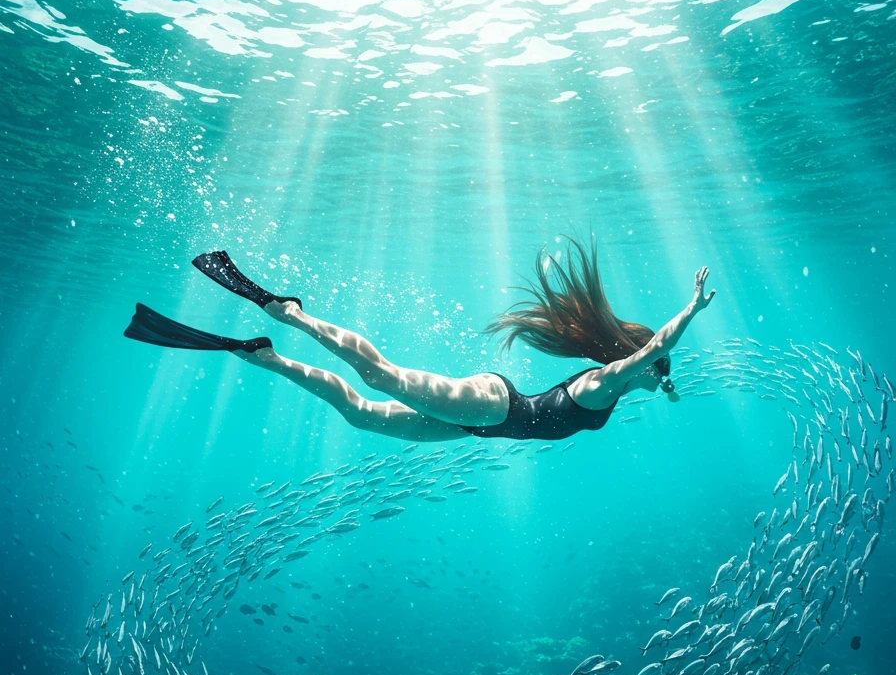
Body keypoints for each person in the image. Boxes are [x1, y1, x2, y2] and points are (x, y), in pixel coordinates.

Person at [124, 240, 715, 443]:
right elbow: (652, 352)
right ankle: (292, 314)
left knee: (362, 415)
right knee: (380, 375)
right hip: (495, 406)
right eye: (657, 367)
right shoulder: (606, 381)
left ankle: (266, 357)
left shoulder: (628, 386)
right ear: (634, 360)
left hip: (481, 428)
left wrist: (668, 388)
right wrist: (688, 311)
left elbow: (657, 376)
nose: (660, 373)